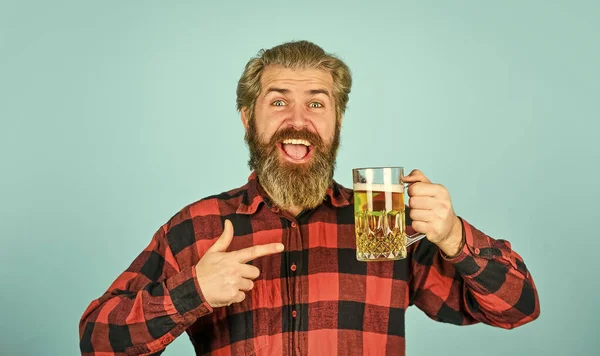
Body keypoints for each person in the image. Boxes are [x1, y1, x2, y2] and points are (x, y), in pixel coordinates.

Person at [79, 40, 540, 356]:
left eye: (317, 103)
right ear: (247, 118)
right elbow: (96, 340)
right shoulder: (199, 228)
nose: (298, 119)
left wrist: (456, 237)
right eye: (278, 102)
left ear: (337, 120)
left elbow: (517, 308)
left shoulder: (382, 218)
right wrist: (192, 292)